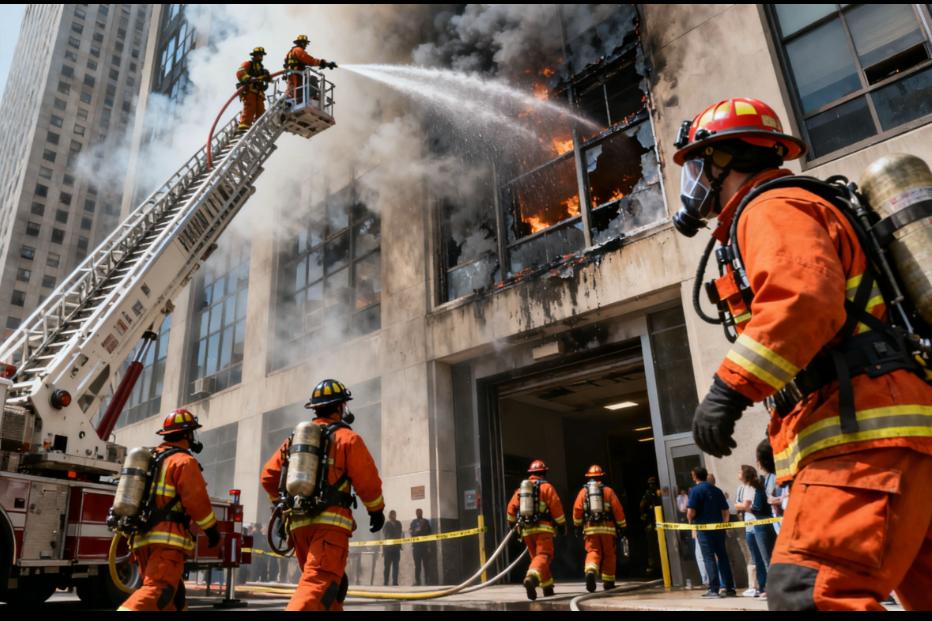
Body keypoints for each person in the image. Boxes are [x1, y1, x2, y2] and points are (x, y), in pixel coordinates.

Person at [673, 97, 932, 611]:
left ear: (726, 159)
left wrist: (728, 391)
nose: (694, 181)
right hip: (901, 433)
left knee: (809, 595)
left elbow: (803, 300)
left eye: (698, 164)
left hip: (864, 436)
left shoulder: (769, 206)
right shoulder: (789, 206)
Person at [260, 379, 385, 611]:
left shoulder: (295, 440)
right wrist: (376, 510)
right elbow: (367, 481)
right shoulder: (348, 439)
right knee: (319, 586)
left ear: (314, 408)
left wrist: (280, 508)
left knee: (331, 593)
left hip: (299, 528)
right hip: (330, 527)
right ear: (340, 407)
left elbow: (268, 477)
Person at [118, 409, 221, 611]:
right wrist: (212, 530)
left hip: (142, 541)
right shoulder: (183, 461)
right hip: (167, 542)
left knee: (174, 600)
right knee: (159, 591)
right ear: (188, 434)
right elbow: (196, 500)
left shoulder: (153, 459)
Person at [507, 459, 567, 600]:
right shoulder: (547, 488)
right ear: (544, 473)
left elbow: (510, 509)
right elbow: (556, 507)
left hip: (526, 530)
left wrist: (512, 524)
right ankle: (531, 578)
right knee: (544, 555)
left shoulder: (521, 489)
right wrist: (562, 525)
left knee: (538, 558)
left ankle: (547, 587)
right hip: (543, 529)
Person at [572, 465, 627, 592]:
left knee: (593, 552)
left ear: (589, 477)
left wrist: (577, 525)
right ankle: (608, 582)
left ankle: (591, 571)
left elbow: (577, 510)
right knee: (609, 554)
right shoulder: (608, 491)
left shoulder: (583, 492)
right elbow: (618, 510)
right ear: (601, 476)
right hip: (608, 529)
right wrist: (622, 526)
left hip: (590, 529)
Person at [687, 466, 735, 598]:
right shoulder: (717, 490)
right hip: (718, 529)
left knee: (708, 558)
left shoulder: (695, 491)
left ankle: (714, 589)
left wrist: (690, 522)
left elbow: (691, 511)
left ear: (695, 476)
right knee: (722, 556)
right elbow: (725, 511)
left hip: (704, 529)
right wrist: (724, 526)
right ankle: (729, 588)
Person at [735, 465, 774, 598]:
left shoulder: (753, 487)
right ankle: (762, 586)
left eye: (740, 471)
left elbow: (744, 505)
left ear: (746, 474)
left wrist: (741, 505)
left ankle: (770, 587)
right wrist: (741, 505)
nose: (738, 473)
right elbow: (740, 505)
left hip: (758, 523)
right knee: (756, 558)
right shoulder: (743, 488)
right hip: (750, 525)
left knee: (765, 557)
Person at [284, 34, 336, 104]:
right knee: (313, 79)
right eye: (305, 43)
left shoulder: (289, 53)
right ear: (302, 43)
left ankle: (299, 97)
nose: (305, 46)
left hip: (293, 83)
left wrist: (325, 64)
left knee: (306, 82)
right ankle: (313, 97)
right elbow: (310, 60)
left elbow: (286, 64)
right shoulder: (298, 50)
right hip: (297, 81)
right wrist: (322, 63)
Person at [235, 47, 271, 130]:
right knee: (250, 107)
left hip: (259, 93)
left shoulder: (262, 69)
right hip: (250, 90)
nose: (261, 57)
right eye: (259, 55)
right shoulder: (248, 64)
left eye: (262, 55)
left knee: (261, 110)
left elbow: (267, 79)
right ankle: (244, 124)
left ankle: (259, 126)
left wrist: (267, 78)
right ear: (254, 55)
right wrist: (249, 78)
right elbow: (240, 72)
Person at [756, 439, 783, 536]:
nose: (757, 462)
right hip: (777, 518)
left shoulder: (777, 476)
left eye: (758, 460)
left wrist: (776, 500)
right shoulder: (768, 477)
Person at [639, 476, 662, 575]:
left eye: (653, 483)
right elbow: (642, 505)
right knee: (652, 546)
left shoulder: (659, 492)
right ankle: (654, 566)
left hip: (659, 522)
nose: (651, 485)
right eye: (650, 484)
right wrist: (644, 517)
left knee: (660, 544)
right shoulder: (647, 494)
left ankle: (660, 564)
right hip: (651, 522)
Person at [409, 508, 432, 586]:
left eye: (420, 512)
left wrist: (420, 530)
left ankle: (427, 581)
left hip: (425, 546)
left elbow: (429, 532)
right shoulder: (413, 522)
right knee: (417, 565)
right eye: (417, 512)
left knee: (426, 565)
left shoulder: (426, 521)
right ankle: (417, 581)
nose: (419, 514)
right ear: (416, 513)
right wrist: (418, 530)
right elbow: (412, 532)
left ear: (422, 513)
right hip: (416, 547)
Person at [383, 510, 402, 586]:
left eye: (394, 514)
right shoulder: (386, 524)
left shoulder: (398, 523)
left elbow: (399, 533)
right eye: (392, 514)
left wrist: (399, 543)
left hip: (396, 548)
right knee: (387, 566)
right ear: (389, 516)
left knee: (396, 566)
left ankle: (395, 582)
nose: (393, 516)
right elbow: (385, 536)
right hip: (388, 549)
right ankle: (386, 581)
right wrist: (383, 550)